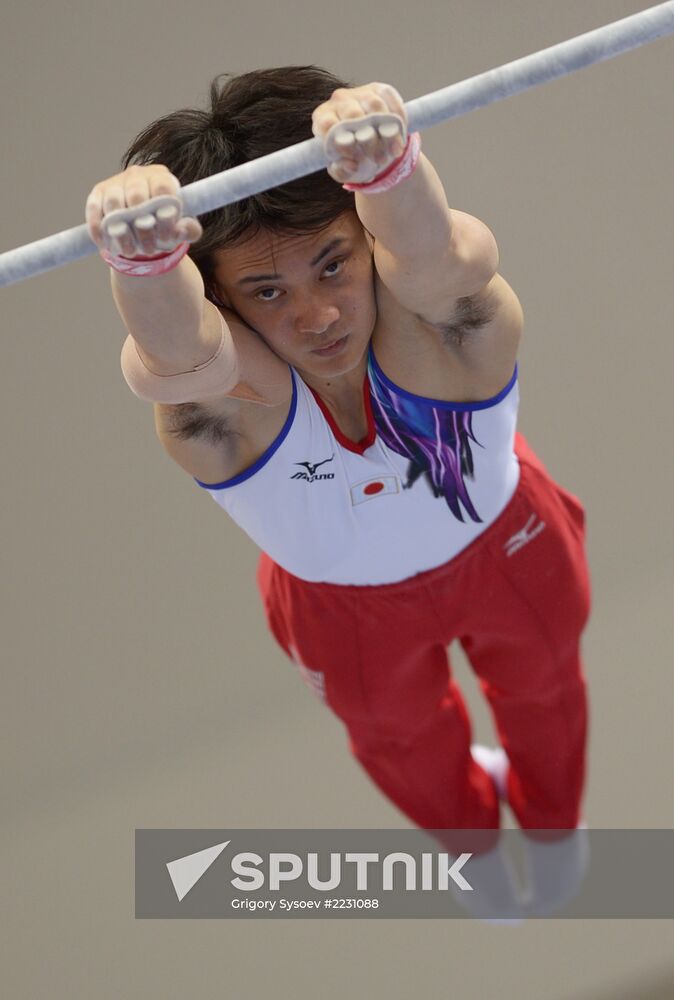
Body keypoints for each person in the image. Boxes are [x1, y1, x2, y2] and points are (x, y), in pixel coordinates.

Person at [85, 66, 591, 918]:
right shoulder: (232, 408)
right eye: (268, 291)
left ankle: (554, 831)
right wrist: (143, 265)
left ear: (366, 238)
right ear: (221, 299)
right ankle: (470, 844)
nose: (318, 316)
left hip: (504, 546)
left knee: (543, 686)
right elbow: (175, 358)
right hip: (344, 613)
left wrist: (389, 175)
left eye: (332, 266)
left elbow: (437, 257)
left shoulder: (441, 324)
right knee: (401, 739)